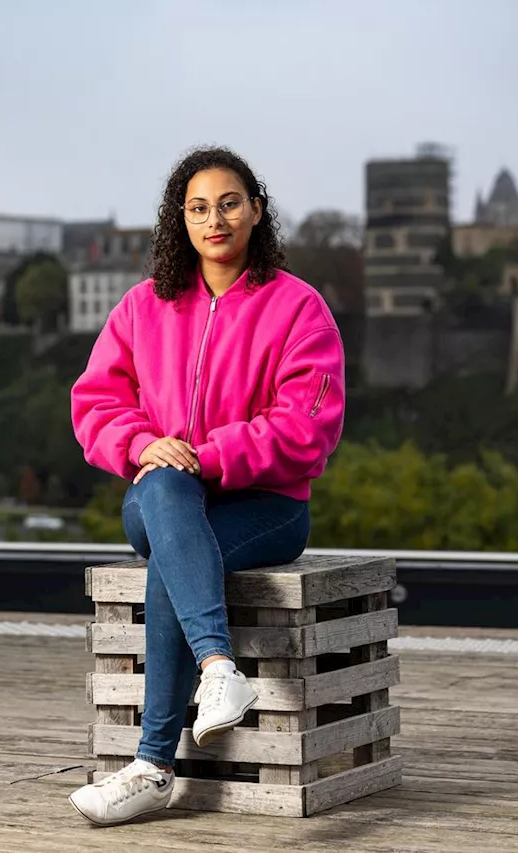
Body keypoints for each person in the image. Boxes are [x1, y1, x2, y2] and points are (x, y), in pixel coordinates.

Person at [67, 146, 346, 825]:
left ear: (255, 209)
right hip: (161, 496)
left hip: (268, 506)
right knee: (166, 495)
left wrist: (207, 454)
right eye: (197, 207)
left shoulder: (299, 308)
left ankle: (153, 765)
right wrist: (141, 443)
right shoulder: (143, 307)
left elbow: (307, 427)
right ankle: (218, 668)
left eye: (228, 203)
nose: (214, 218)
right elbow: (95, 404)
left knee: (174, 553)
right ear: (180, 221)